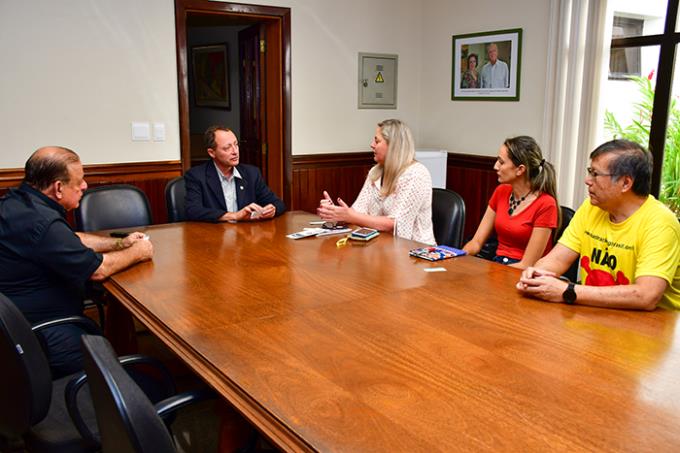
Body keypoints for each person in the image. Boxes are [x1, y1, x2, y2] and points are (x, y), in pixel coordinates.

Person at [0, 146, 154, 377]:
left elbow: (70, 239)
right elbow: (98, 270)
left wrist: (120, 244)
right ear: (59, 187)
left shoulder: (19, 202)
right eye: (79, 181)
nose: (84, 186)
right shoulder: (41, 221)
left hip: (16, 325)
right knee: (131, 382)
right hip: (45, 332)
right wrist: (139, 252)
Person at [518, 139, 680, 310]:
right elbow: (557, 259)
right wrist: (536, 274)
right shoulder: (591, 208)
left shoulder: (660, 223)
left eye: (595, 174)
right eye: (590, 171)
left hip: (653, 327)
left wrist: (568, 291)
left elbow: (646, 295)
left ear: (625, 183)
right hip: (596, 312)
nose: (588, 180)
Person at [317, 119, 436, 244]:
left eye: (377, 141)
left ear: (393, 146)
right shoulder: (375, 172)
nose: (372, 144)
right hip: (381, 247)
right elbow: (358, 213)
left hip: (416, 253)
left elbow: (394, 223)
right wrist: (336, 212)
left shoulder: (416, 174)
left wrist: (350, 215)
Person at [463, 136, 559, 269]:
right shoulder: (501, 191)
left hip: (524, 274)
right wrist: (457, 257)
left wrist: (495, 274)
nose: (495, 166)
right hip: (498, 266)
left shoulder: (546, 204)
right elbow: (476, 242)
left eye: (501, 162)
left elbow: (528, 265)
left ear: (520, 169)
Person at [185, 125, 286, 222]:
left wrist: (272, 210)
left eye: (236, 144)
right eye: (227, 148)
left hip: (246, 234)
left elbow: (278, 203)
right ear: (212, 153)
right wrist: (234, 216)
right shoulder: (196, 176)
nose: (235, 151)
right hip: (214, 235)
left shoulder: (251, 173)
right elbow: (193, 211)